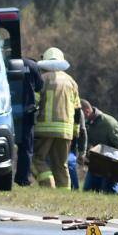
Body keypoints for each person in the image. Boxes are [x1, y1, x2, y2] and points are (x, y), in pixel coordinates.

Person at [31, 47, 81, 189]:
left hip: (44, 129)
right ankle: (64, 193)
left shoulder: (41, 79)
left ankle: (48, 186)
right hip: (66, 130)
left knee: (37, 159)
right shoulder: (71, 82)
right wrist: (76, 132)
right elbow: (77, 110)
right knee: (61, 164)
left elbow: (34, 103)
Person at [80, 99, 118, 193]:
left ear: (87, 112)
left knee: (109, 192)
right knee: (87, 191)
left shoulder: (109, 123)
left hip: (111, 165)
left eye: (80, 114)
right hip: (95, 164)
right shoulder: (86, 124)